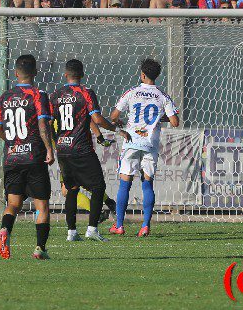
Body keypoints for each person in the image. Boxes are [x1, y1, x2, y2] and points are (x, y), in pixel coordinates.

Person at [0, 54, 55, 260]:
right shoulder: (38, 95)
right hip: (33, 156)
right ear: (35, 72)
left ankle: (5, 230)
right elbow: (43, 125)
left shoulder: (5, 96)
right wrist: (49, 148)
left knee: (13, 204)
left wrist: (11, 143)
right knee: (42, 205)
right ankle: (39, 248)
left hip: (12, 158)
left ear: (16, 73)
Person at [48, 59, 118, 242]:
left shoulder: (55, 95)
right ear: (82, 74)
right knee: (98, 186)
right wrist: (115, 129)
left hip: (62, 149)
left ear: (65, 75)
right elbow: (95, 118)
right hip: (81, 148)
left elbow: (48, 123)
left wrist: (55, 142)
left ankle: (71, 232)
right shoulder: (86, 93)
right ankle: (92, 228)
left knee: (71, 189)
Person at [109, 58, 179, 237]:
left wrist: (121, 123)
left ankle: (119, 225)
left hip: (132, 142)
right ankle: (145, 226)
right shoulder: (163, 96)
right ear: (157, 75)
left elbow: (114, 116)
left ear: (142, 74)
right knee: (147, 184)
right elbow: (175, 122)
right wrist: (157, 119)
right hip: (150, 144)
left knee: (125, 184)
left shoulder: (132, 92)